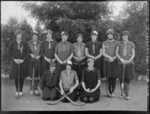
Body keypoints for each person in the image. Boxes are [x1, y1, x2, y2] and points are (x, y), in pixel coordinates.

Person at [8, 29, 29, 96]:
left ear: (21, 35)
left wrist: (23, 60)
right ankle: (17, 90)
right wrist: (14, 60)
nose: (19, 36)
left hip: (22, 62)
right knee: (16, 76)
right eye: (18, 35)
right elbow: (9, 53)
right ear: (16, 35)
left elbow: (27, 53)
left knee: (21, 76)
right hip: (15, 62)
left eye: (20, 35)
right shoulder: (12, 42)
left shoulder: (25, 43)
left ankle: (21, 91)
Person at [116, 30, 135, 100]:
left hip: (129, 63)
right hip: (121, 63)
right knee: (121, 78)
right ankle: (122, 93)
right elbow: (116, 53)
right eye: (123, 35)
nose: (124, 37)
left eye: (126, 35)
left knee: (127, 79)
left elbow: (133, 54)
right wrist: (122, 60)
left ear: (127, 36)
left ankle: (127, 93)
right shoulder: (119, 43)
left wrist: (129, 60)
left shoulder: (131, 44)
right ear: (122, 36)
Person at [103, 29, 118, 97]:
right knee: (108, 77)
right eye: (108, 34)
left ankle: (113, 91)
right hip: (107, 61)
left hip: (114, 61)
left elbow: (118, 52)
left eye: (111, 34)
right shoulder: (104, 42)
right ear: (107, 35)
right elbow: (103, 53)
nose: (110, 35)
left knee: (114, 77)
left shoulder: (117, 42)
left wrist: (113, 58)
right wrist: (110, 58)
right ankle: (109, 91)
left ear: (113, 35)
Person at [28, 31, 42, 95]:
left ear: (37, 36)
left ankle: (35, 88)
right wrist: (31, 55)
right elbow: (27, 51)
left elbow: (42, 51)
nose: (34, 37)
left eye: (36, 35)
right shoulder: (29, 43)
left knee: (37, 74)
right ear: (32, 36)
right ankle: (31, 89)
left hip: (38, 60)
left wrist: (40, 56)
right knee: (31, 74)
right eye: (33, 35)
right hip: (31, 60)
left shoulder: (40, 43)